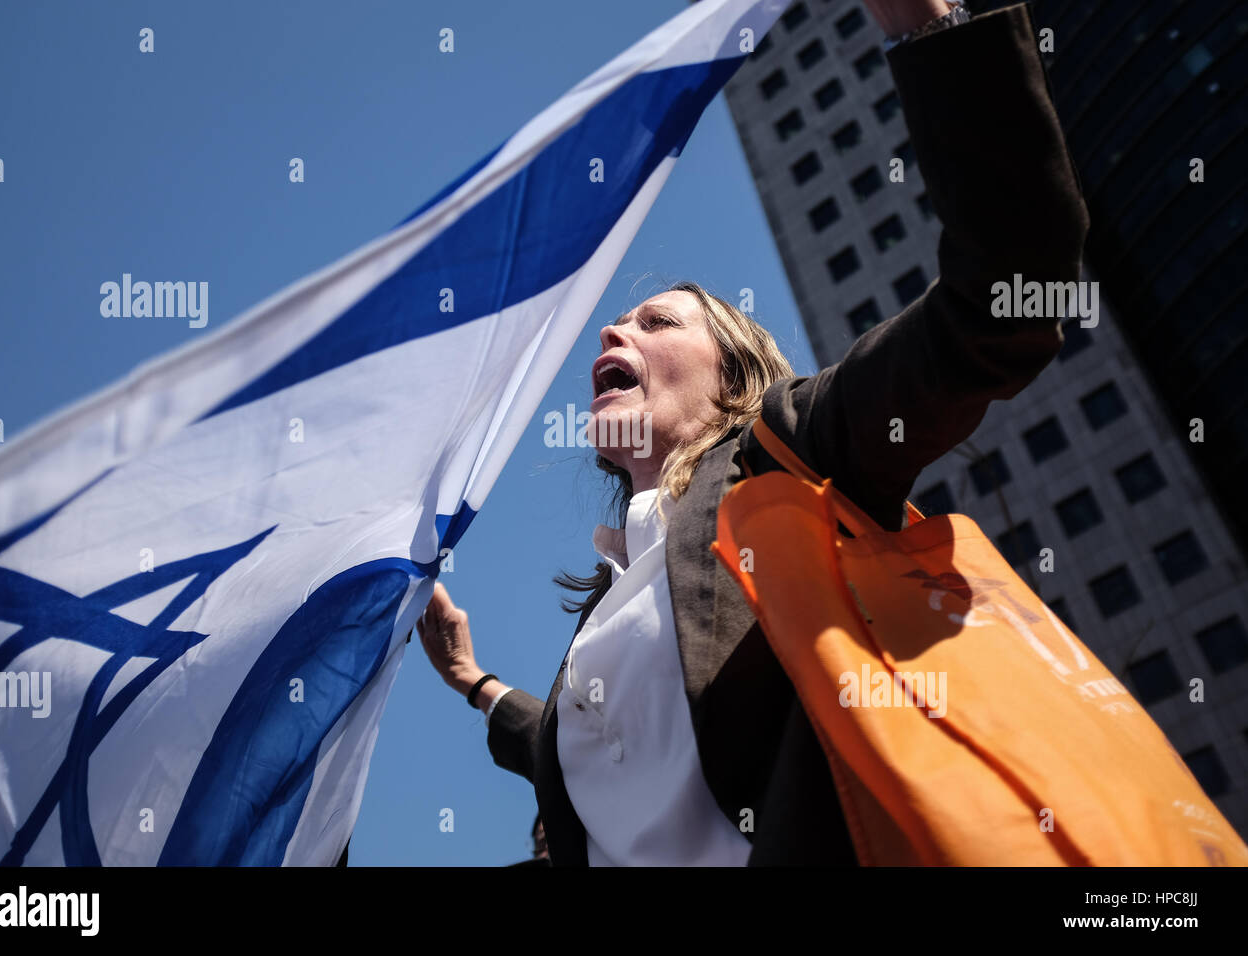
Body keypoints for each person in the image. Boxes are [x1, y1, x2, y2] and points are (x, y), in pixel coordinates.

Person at [417, 0, 1089, 865]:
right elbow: (568, 743)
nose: (612, 335)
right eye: (616, 326)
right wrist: (472, 681)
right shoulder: (610, 611)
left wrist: (933, 28)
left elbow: (1010, 290)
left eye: (656, 322)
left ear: (735, 376)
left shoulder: (795, 455)